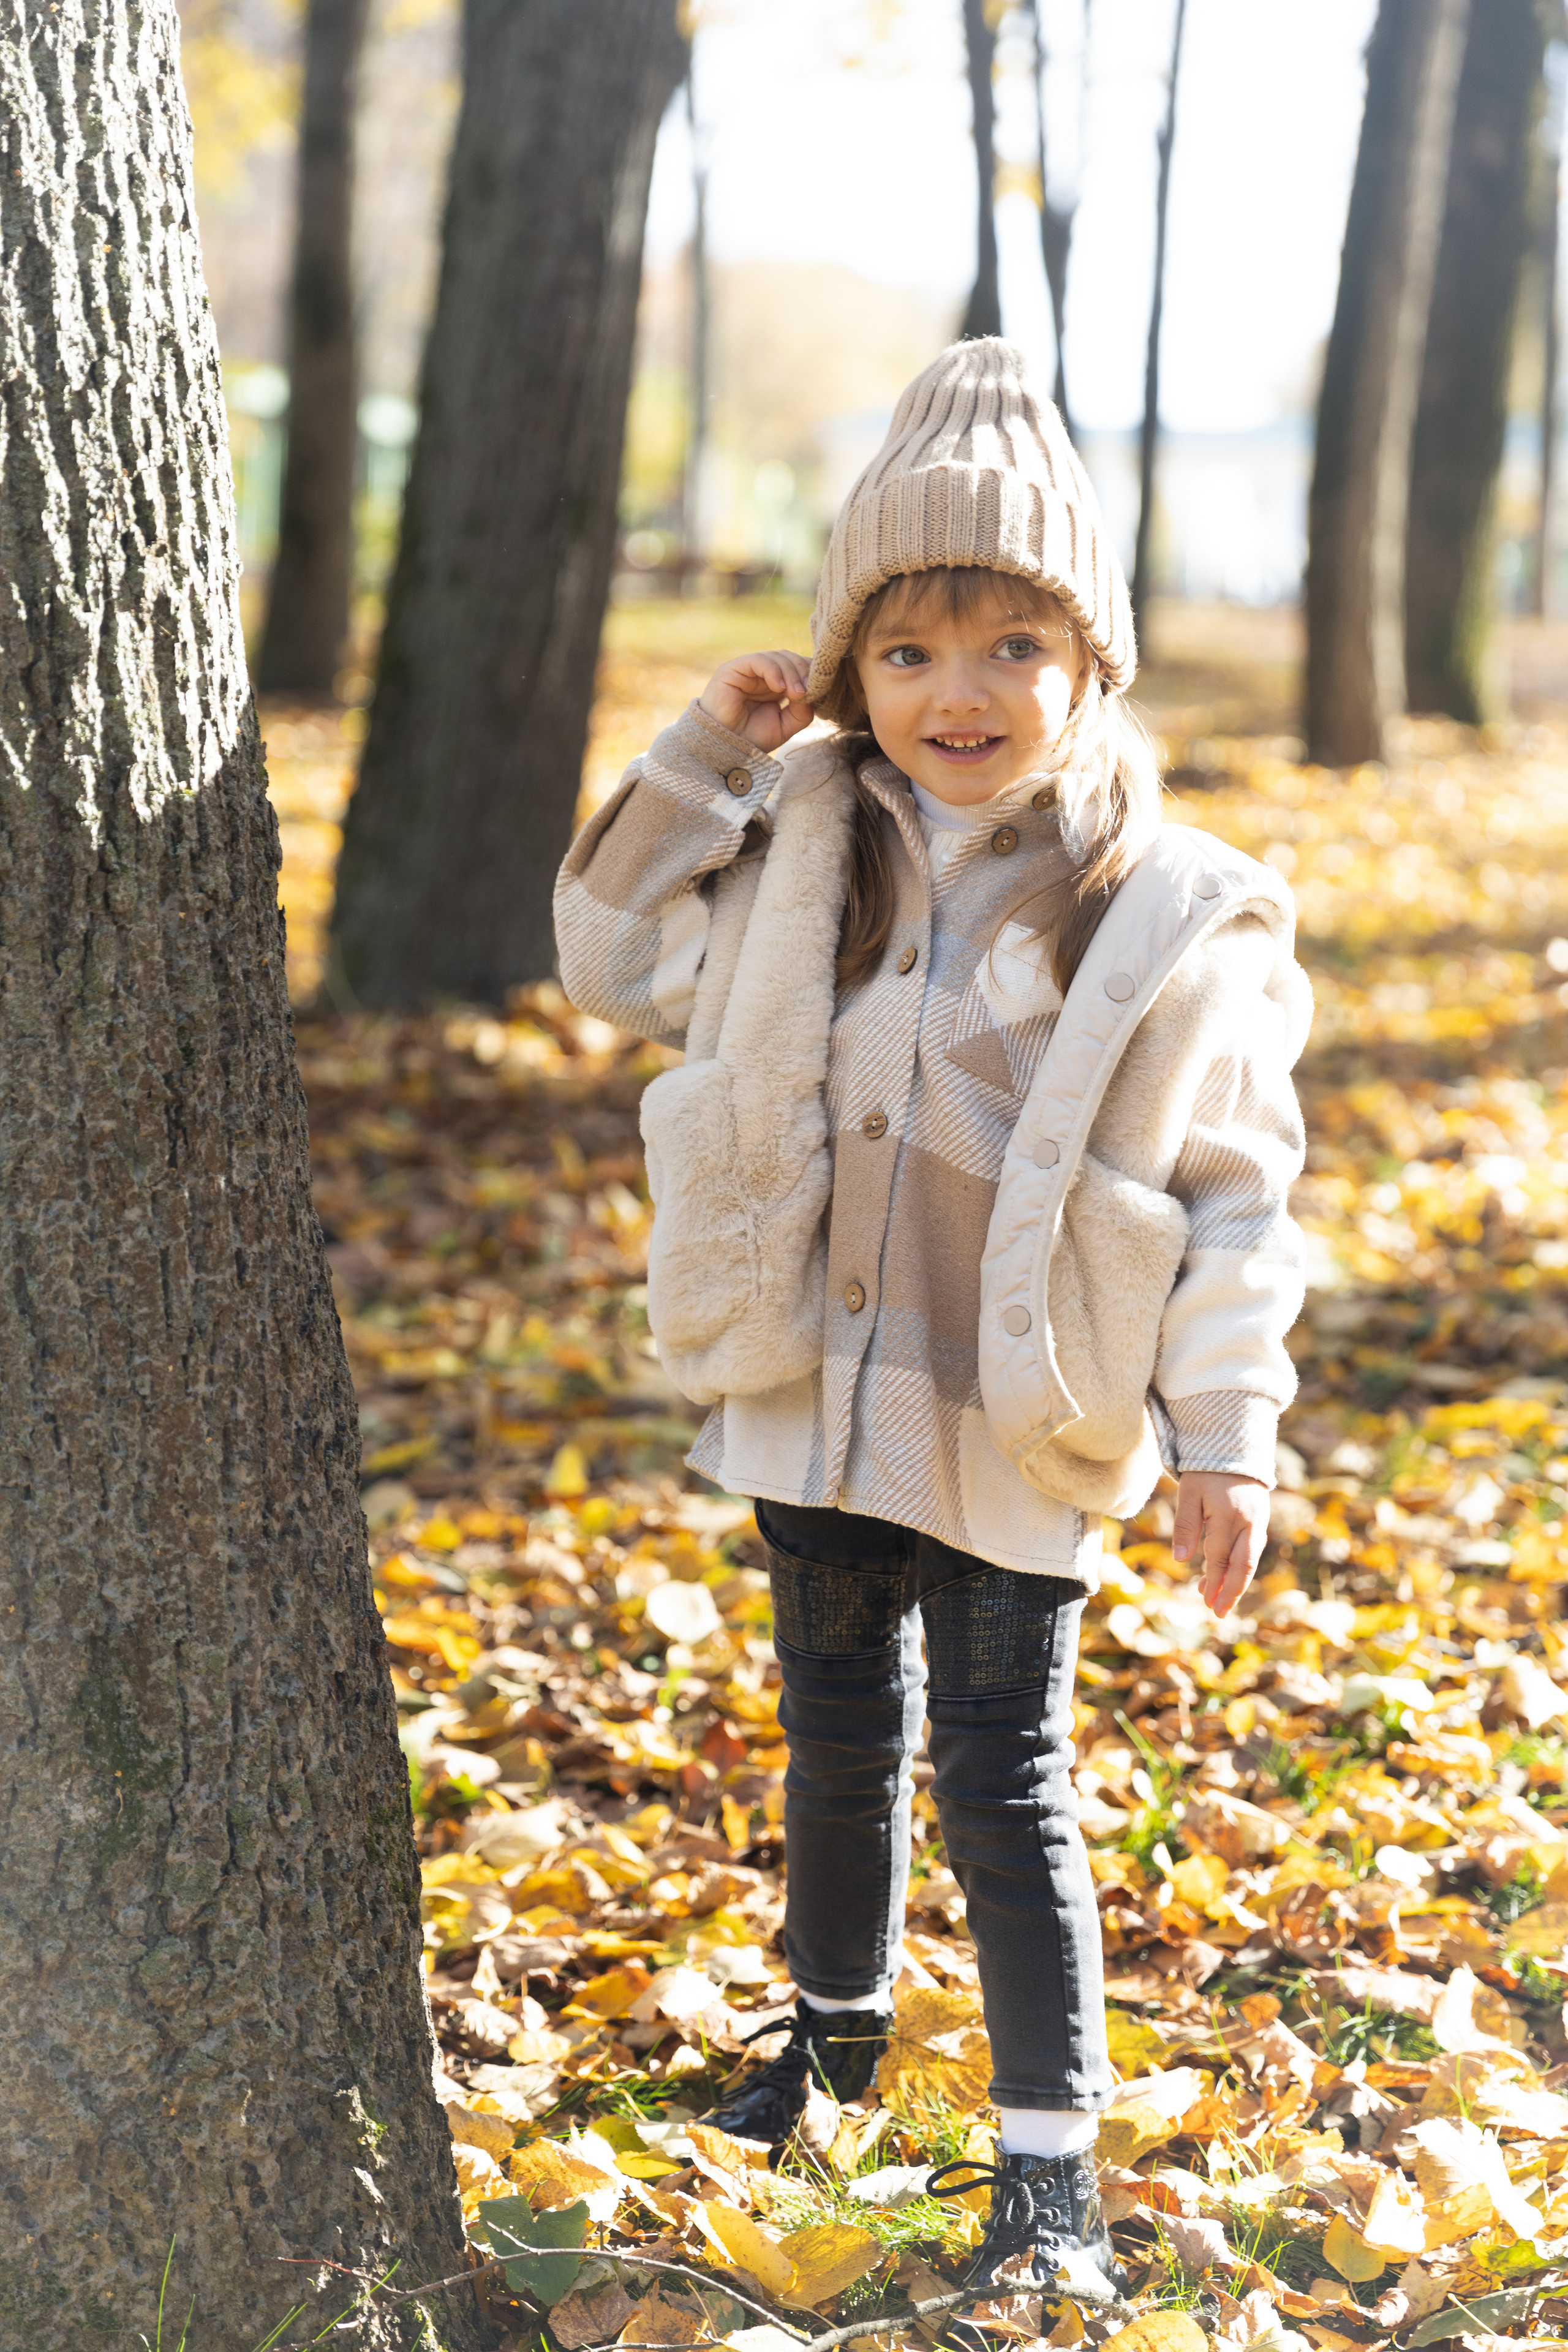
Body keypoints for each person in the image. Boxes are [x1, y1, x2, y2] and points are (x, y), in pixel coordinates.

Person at [554, 339, 1310, 2304]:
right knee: (831, 1735)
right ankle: (830, 2047)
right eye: (907, 653)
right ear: (852, 670)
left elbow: (1234, 1189)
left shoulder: (1167, 910)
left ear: (1089, 668)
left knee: (1001, 1766)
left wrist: (1228, 1431)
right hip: (817, 1386)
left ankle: (1050, 2175)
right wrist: (706, 758)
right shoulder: (804, 838)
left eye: (1010, 650)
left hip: (1016, 1410)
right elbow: (608, 953)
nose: (956, 697)